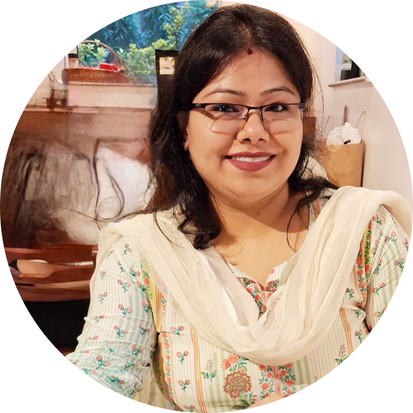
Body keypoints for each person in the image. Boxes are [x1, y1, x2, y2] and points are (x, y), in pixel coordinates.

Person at [66, 4, 411, 411]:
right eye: (225, 108)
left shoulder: (366, 234)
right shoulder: (141, 255)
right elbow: (100, 373)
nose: (254, 132)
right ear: (184, 128)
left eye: (277, 107)